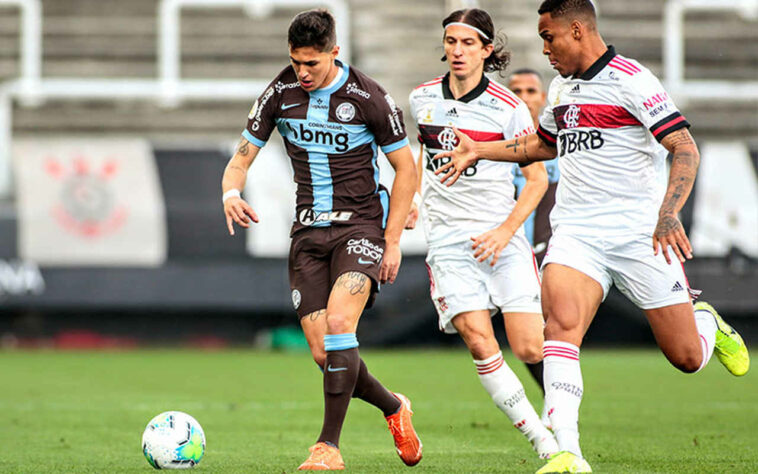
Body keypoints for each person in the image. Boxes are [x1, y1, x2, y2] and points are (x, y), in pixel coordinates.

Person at [432, 1, 750, 472]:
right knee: (560, 330)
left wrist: (668, 212)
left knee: (685, 357)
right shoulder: (561, 89)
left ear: (577, 30)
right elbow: (541, 144)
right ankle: (568, 453)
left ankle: (707, 324)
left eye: (549, 37)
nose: (544, 50)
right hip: (577, 232)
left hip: (639, 234)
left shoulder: (632, 81)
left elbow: (683, 146)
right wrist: (479, 149)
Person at [221, 9, 421, 471]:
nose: (303, 73)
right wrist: (231, 191)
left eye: (312, 63)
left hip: (361, 228)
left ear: (335, 52)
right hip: (308, 233)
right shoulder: (280, 91)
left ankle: (327, 447)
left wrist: (391, 242)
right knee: (323, 352)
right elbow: (241, 157)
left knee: (338, 324)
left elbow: (406, 169)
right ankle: (394, 407)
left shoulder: (368, 96)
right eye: (296, 63)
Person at [406, 8, 558, 460]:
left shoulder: (509, 108)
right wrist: (413, 199)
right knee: (477, 338)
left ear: (487, 50)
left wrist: (505, 231)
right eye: (451, 42)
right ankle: (543, 441)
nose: (457, 51)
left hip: (502, 239)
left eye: (468, 43)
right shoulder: (421, 98)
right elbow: (421, 153)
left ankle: (559, 412)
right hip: (449, 241)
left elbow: (536, 181)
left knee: (530, 346)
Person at [509, 68, 558, 265]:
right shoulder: (493, 145)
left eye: (530, 91)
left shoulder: (559, 144)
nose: (523, 98)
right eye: (516, 92)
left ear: (543, 97)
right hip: (505, 246)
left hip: (549, 249)